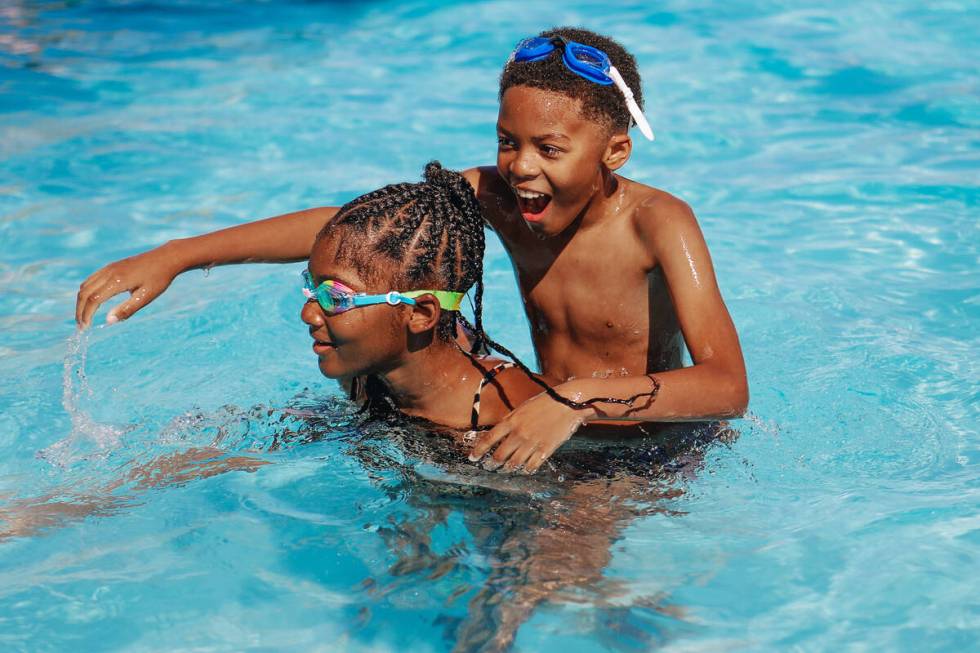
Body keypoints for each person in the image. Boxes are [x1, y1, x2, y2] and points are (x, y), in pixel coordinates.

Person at [75, 26, 748, 474]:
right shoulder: (504, 200)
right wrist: (182, 254)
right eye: (507, 141)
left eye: (549, 149)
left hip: (645, 448)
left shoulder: (658, 225)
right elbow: (367, 230)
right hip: (530, 426)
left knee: (543, 587)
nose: (520, 167)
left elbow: (726, 386)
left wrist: (572, 402)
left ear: (614, 152)